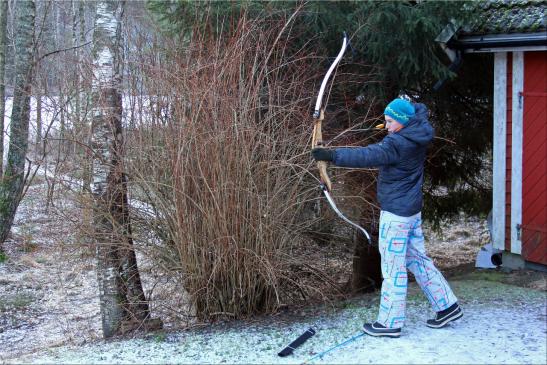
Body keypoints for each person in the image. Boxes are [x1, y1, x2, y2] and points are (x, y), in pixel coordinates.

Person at [311, 98, 462, 338]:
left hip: (396, 214)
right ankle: (447, 306)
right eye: (386, 120)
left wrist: (331, 155)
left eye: (390, 121)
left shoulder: (398, 143)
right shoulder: (417, 133)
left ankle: (390, 322)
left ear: (402, 122)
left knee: (393, 269)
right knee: (418, 260)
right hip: (411, 211)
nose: (386, 125)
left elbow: (369, 155)